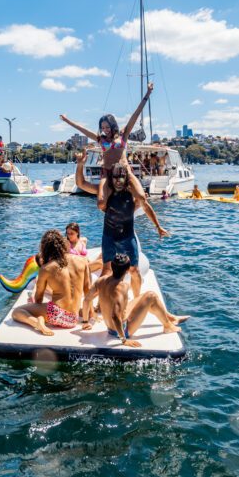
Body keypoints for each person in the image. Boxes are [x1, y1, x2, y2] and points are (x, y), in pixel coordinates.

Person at [75, 151, 168, 297]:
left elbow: (146, 206)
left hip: (127, 237)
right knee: (106, 270)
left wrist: (157, 226)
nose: (118, 180)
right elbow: (81, 183)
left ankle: (136, 300)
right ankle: (100, 302)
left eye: (122, 177)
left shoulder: (132, 194)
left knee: (134, 271)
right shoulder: (107, 192)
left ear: (126, 178)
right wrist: (80, 164)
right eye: (115, 177)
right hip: (109, 237)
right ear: (111, 178)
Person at [59, 82, 153, 210]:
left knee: (142, 198)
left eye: (107, 127)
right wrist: (67, 120)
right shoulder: (101, 139)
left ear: (113, 125)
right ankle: (112, 217)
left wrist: (148, 93)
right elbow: (83, 129)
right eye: (102, 128)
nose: (105, 130)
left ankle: (128, 214)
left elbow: (135, 115)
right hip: (107, 173)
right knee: (101, 203)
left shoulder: (123, 135)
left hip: (125, 172)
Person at [81, 253, 188, 347]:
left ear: (112, 267)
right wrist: (124, 340)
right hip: (123, 330)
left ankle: (169, 318)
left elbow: (86, 300)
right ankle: (167, 326)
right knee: (151, 296)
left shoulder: (101, 280)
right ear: (127, 270)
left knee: (142, 297)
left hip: (110, 328)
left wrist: (85, 322)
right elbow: (115, 316)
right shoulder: (121, 288)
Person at [12, 229, 91, 336]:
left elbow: (38, 298)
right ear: (63, 245)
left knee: (17, 312)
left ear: (45, 249)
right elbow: (88, 291)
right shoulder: (83, 261)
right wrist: (91, 313)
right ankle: (40, 319)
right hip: (74, 317)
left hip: (55, 315)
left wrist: (36, 308)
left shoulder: (46, 268)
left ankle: (36, 322)